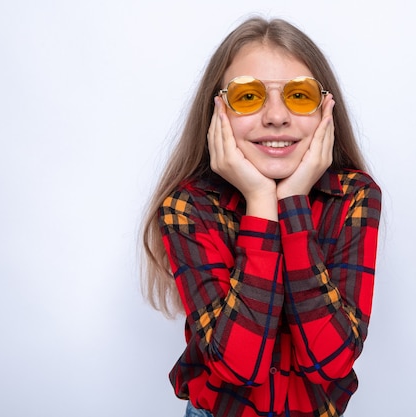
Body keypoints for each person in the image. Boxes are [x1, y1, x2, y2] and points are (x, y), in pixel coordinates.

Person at [141, 16, 382, 417]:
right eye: (249, 97)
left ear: (326, 110)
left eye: (299, 97)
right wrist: (261, 201)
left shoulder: (354, 197)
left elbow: (331, 361)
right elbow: (240, 366)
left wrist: (292, 202)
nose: (275, 116)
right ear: (216, 111)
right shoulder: (188, 207)